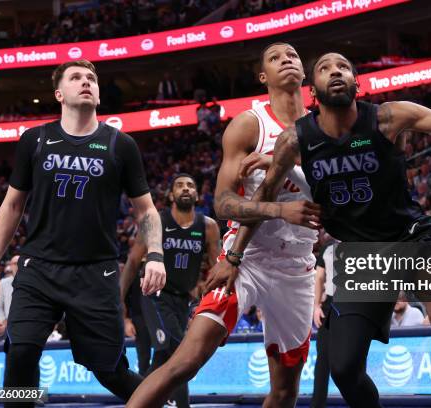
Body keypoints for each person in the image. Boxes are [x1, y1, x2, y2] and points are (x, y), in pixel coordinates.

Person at [209, 52, 431, 408]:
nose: (336, 71)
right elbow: (265, 195)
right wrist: (233, 255)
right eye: (326, 68)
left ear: (357, 82)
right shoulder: (295, 141)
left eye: (344, 66)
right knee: (343, 369)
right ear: (313, 90)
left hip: (410, 235)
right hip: (361, 253)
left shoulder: (389, 117)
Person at [127, 43, 320, 408]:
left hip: (297, 268)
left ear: (304, 71)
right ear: (263, 77)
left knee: (285, 391)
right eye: (276, 58)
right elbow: (223, 202)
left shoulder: (323, 127)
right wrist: (277, 211)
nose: (287, 61)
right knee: (185, 362)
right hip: (245, 259)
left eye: (294, 55)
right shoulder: (250, 123)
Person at [0, 59, 166, 407]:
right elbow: (12, 206)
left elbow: (146, 210)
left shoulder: (120, 145)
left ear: (97, 93)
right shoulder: (35, 140)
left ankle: (161, 404)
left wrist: (155, 254)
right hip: (39, 268)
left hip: (96, 272)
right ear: (58, 93)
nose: (86, 82)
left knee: (109, 370)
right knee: (20, 353)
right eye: (76, 77)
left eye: (91, 78)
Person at [120, 173, 220, 408]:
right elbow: (133, 262)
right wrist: (120, 303)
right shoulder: (156, 222)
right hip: (155, 294)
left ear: (198, 194)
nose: (185, 189)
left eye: (190, 185)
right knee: (176, 348)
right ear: (171, 194)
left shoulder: (208, 226)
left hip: (183, 299)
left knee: (167, 357)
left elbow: (216, 268)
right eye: (180, 185)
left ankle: (143, 399)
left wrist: (209, 297)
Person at [310, 235, 340, 408]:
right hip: (329, 307)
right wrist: (316, 307)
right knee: (323, 362)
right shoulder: (328, 247)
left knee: (353, 362)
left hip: (354, 308)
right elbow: (319, 277)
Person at [0, 255, 18, 322]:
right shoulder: (3, 282)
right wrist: (3, 320)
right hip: (9, 321)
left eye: (19, 263)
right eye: (15, 263)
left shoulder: (30, 281)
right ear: (10, 266)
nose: (17, 266)